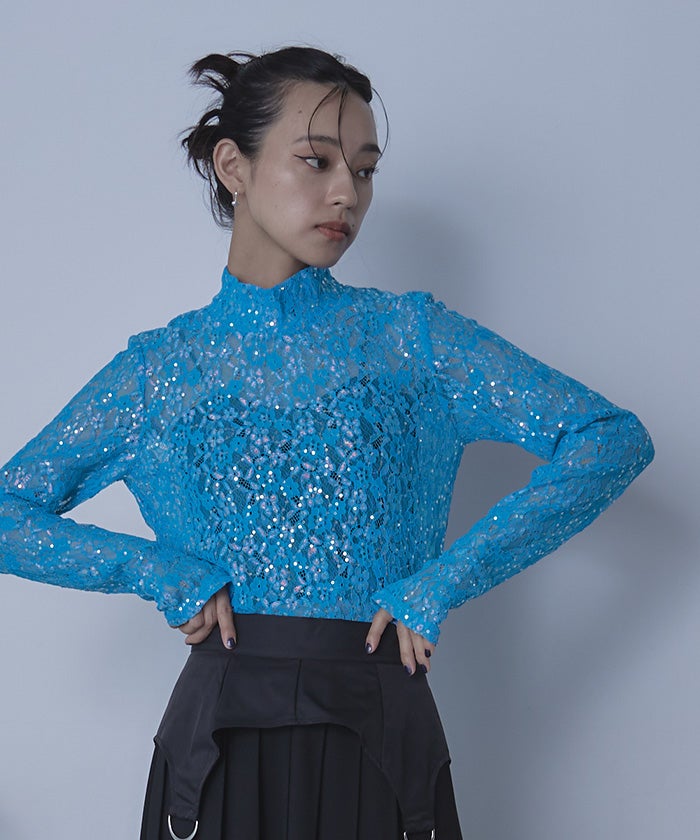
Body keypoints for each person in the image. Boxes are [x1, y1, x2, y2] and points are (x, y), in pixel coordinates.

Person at [0, 46, 654, 840]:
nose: (348, 192)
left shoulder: (413, 339)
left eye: (365, 170)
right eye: (316, 161)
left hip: (380, 741)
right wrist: (153, 569)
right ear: (233, 167)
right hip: (217, 750)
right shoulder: (159, 371)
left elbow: (608, 439)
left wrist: (444, 581)